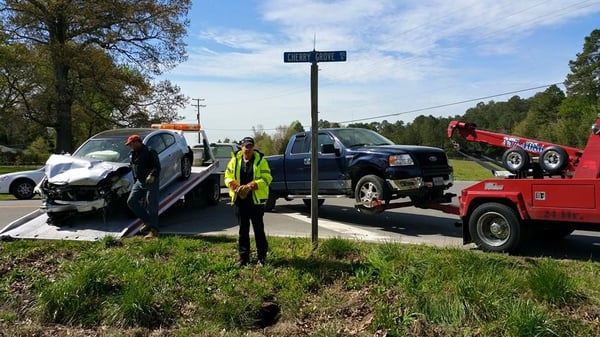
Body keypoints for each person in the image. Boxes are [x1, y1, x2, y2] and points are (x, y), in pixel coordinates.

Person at [224, 136, 272, 266]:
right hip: (240, 201)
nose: (248, 149)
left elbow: (267, 178)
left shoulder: (261, 161)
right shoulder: (234, 161)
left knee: (258, 230)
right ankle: (243, 258)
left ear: (253, 148)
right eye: (246, 146)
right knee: (243, 231)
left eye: (251, 146)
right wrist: (236, 187)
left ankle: (262, 257)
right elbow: (227, 177)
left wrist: (251, 186)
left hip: (255, 202)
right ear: (241, 147)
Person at [125, 134, 161, 239]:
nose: (130, 146)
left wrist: (152, 175)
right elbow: (133, 166)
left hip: (150, 181)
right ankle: (148, 222)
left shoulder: (150, 151)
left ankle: (154, 231)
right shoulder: (133, 153)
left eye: (131, 144)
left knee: (152, 205)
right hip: (139, 182)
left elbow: (157, 166)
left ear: (137, 142)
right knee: (131, 202)